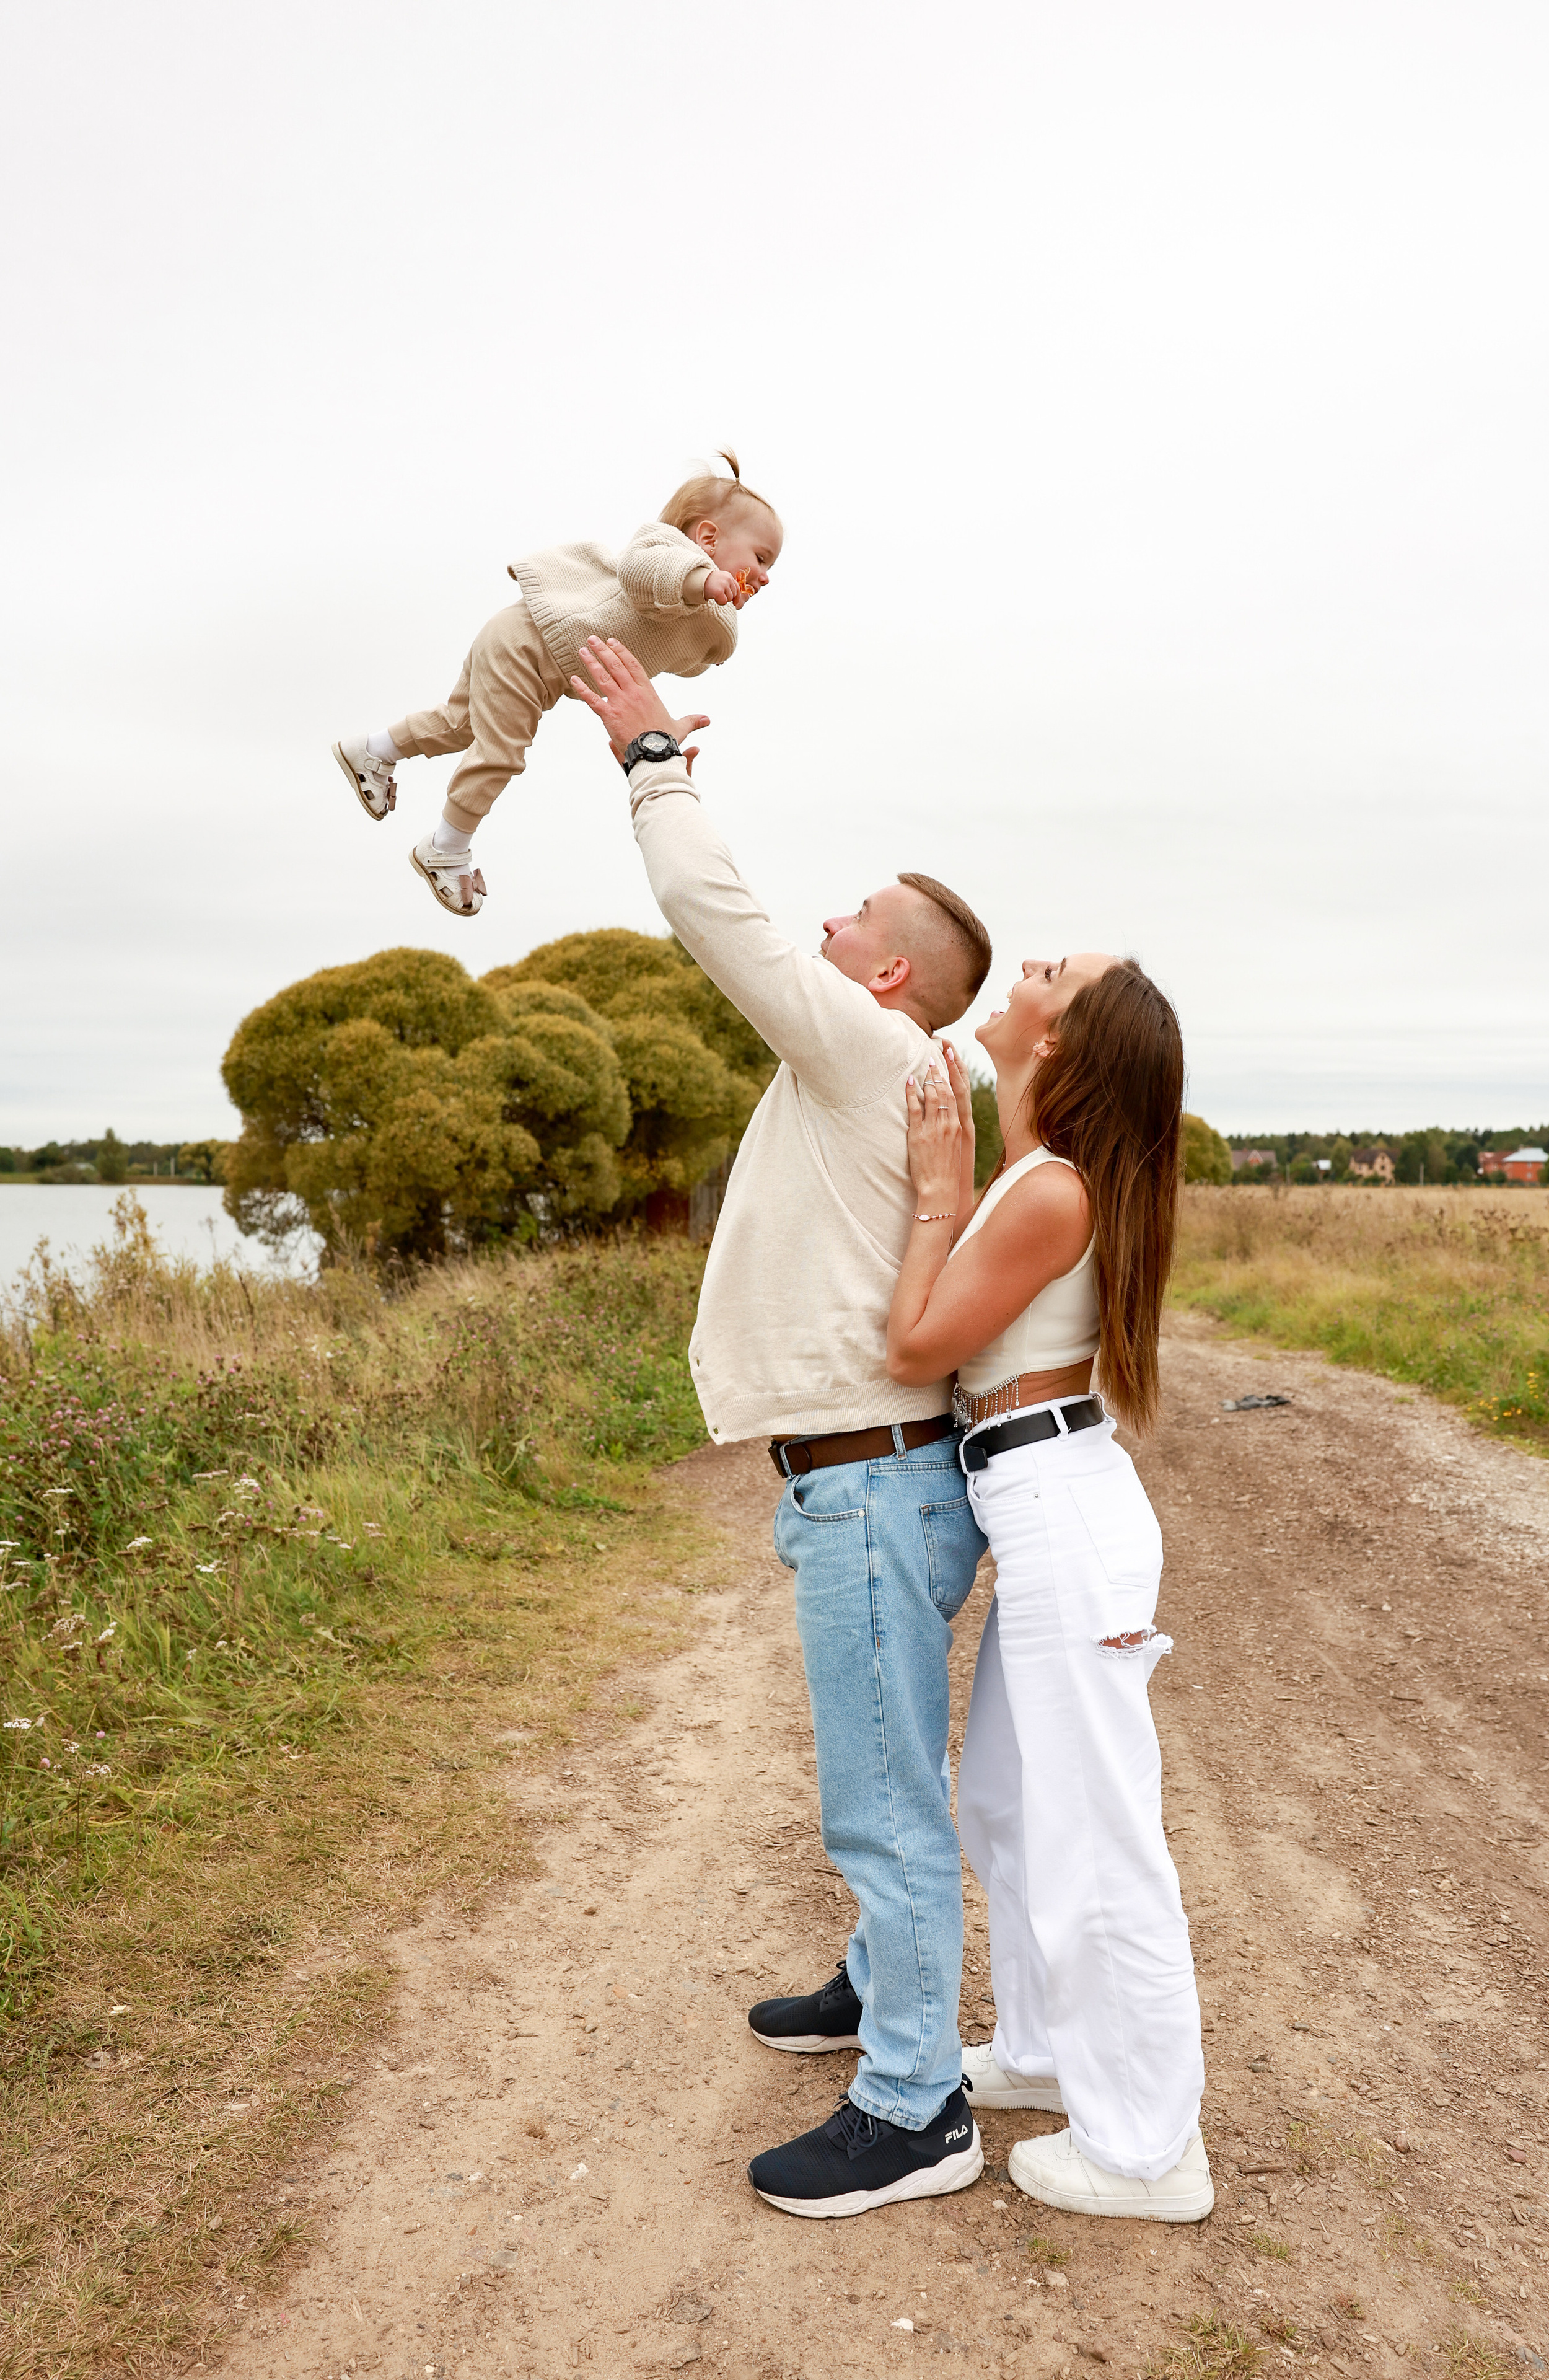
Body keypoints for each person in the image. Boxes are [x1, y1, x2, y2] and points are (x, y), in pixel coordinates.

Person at [567, 634, 993, 2219]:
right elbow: (756, 926)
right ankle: (875, 1989)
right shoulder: (874, 1056)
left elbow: (713, 913)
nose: (821, 926)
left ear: (883, 973)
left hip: (871, 1487)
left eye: (850, 923)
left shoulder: (863, 1041)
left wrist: (647, 759)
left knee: (881, 1797)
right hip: (873, 1480)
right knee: (883, 1773)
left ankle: (914, 2102)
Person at [884, 956, 1214, 2222]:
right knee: (1009, 1804)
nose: (1022, 967)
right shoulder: (1049, 1178)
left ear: (1062, 1047)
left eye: (1049, 973)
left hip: (1060, 1510)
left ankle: (1145, 2152)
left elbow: (917, 1345)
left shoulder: (1047, 1192)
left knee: (1097, 1839)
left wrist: (935, 1197)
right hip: (1039, 1503)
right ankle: (1033, 2050)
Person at [332, 452, 782, 919]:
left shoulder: (698, 606)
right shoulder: (667, 552)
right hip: (528, 643)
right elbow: (643, 571)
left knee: (460, 724)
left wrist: (715, 624)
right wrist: (704, 580)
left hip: (532, 654)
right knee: (501, 751)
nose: (767, 576)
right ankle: (446, 848)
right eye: (761, 558)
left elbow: (678, 650)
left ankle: (373, 750)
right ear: (708, 538)